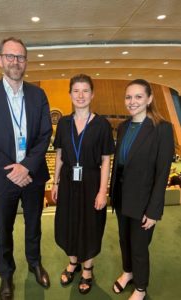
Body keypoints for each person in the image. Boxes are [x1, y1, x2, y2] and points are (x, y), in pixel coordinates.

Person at [0, 37, 52, 299]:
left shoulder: (38, 94)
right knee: (3, 231)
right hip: (2, 178)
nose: (16, 62)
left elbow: (45, 135)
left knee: (34, 226)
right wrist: (13, 170)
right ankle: (6, 276)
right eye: (10, 56)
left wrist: (26, 167)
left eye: (20, 57)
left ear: (26, 62)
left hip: (33, 176)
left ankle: (34, 263)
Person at [110, 79, 174, 300]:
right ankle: (128, 273)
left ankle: (140, 288)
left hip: (143, 201)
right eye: (128, 97)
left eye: (138, 96)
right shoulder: (124, 127)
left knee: (139, 246)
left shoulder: (162, 129)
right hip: (121, 197)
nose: (132, 101)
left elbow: (162, 172)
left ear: (149, 99)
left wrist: (154, 210)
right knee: (124, 240)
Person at [51, 74, 115, 294]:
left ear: (92, 94)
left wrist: (102, 191)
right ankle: (72, 262)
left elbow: (106, 160)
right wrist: (55, 181)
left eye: (85, 90)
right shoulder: (64, 123)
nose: (80, 95)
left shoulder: (102, 124)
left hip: (91, 181)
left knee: (90, 225)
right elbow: (59, 153)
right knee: (67, 222)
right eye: (76, 91)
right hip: (68, 181)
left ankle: (87, 268)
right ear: (70, 94)